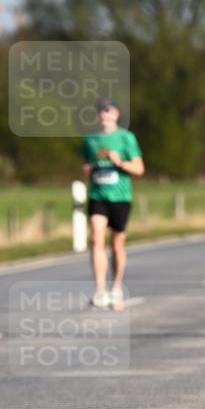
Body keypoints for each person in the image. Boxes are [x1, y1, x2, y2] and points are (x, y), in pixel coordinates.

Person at [81, 98, 144, 311]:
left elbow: (139, 169)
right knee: (96, 238)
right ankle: (100, 290)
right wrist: (88, 169)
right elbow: (86, 162)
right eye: (101, 111)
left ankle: (116, 287)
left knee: (117, 244)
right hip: (98, 195)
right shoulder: (90, 139)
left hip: (121, 197)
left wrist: (120, 163)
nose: (105, 114)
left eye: (109, 110)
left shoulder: (126, 138)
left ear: (116, 114)